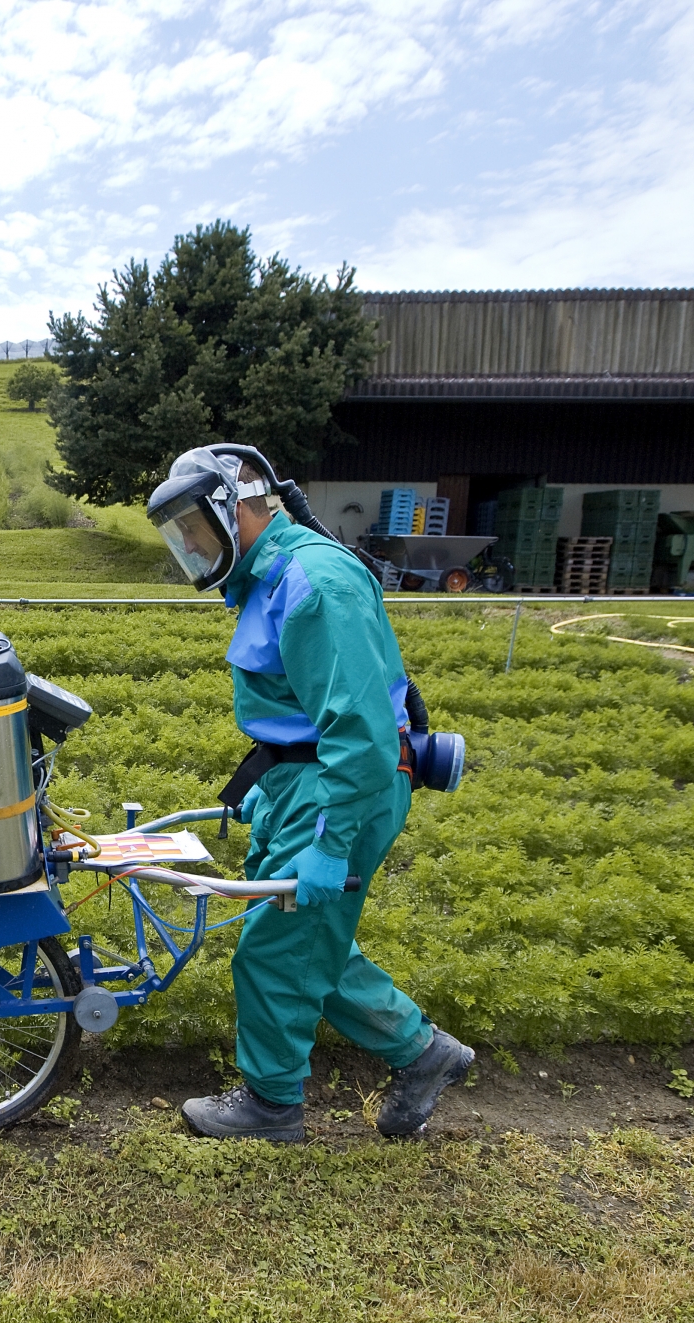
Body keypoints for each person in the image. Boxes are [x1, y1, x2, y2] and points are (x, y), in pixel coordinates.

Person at [146, 445, 474, 1142]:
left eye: (197, 529)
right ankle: (423, 1053)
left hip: (344, 791)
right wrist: (273, 788)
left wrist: (328, 842)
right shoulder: (272, 577)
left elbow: (361, 737)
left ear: (237, 508)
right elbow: (303, 713)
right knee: (308, 944)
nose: (194, 547)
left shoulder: (313, 583)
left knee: (273, 951)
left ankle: (271, 1107)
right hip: (306, 785)